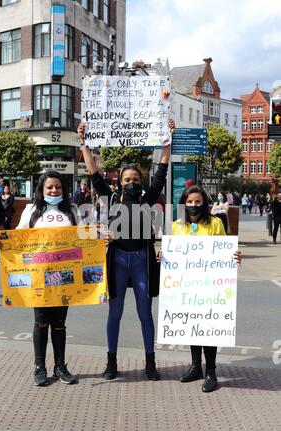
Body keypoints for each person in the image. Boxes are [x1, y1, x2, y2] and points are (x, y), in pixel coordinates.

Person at [77, 119, 175, 381]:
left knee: (145, 313)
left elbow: (162, 169)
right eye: (126, 179)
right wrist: (84, 142)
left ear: (140, 181)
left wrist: (168, 138)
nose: (130, 182)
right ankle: (111, 363)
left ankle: (150, 362)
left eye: (135, 178)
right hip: (117, 260)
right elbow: (94, 173)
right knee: (115, 313)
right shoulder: (110, 198)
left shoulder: (148, 197)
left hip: (142, 261)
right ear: (119, 182)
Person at [0, 171, 83, 386]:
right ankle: (39, 367)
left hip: (64, 276)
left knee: (59, 323)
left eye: (58, 187)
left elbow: (83, 236)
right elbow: (18, 236)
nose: (54, 191)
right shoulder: (31, 210)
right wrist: (0, 242)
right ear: (41, 190)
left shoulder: (72, 210)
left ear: (64, 189)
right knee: (41, 322)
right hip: (38, 277)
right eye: (49, 187)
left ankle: (60, 367)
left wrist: (100, 238)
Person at [171, 185, 241, 392]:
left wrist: (235, 256)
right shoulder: (177, 226)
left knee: (208, 328)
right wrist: (163, 257)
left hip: (210, 285)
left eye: (198, 202)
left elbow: (224, 251)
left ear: (204, 203)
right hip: (186, 285)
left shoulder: (215, 223)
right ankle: (195, 367)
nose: (194, 206)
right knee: (192, 325)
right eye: (190, 202)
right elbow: (174, 253)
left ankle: (211, 371)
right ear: (184, 204)